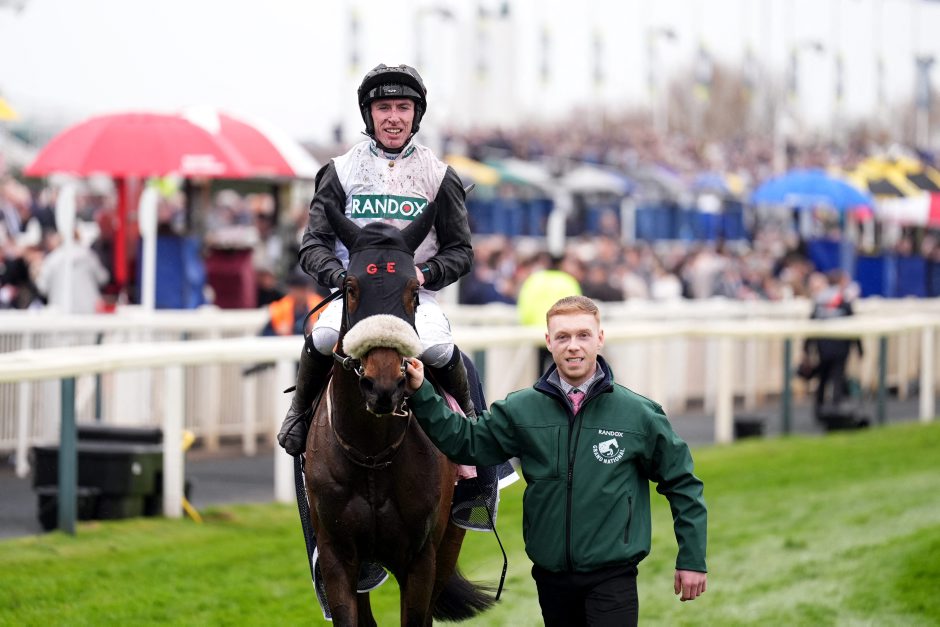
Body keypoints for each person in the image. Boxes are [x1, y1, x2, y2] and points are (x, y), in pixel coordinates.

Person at [403, 295, 708, 626]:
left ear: (600, 339)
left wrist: (691, 559)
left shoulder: (639, 414)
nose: (573, 346)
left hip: (613, 576)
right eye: (563, 336)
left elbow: (682, 484)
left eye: (583, 335)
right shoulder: (520, 409)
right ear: (549, 342)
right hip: (551, 579)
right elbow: (465, 442)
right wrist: (421, 392)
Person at [276, 63, 491, 525]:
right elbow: (313, 244)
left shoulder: (440, 175)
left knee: (439, 348)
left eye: (403, 107)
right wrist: (339, 276)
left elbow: (461, 252)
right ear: (369, 114)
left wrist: (425, 273)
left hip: (414, 298)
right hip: (354, 296)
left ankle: (472, 438)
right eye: (384, 107)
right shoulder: (338, 171)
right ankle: (299, 417)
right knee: (321, 337)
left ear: (416, 114)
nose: (393, 117)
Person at [804, 269, 863, 422]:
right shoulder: (843, 300)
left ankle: (819, 409)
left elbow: (810, 325)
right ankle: (836, 411)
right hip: (840, 347)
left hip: (823, 347)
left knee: (823, 378)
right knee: (837, 377)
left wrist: (806, 349)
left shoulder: (819, 301)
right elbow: (854, 326)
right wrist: (860, 349)